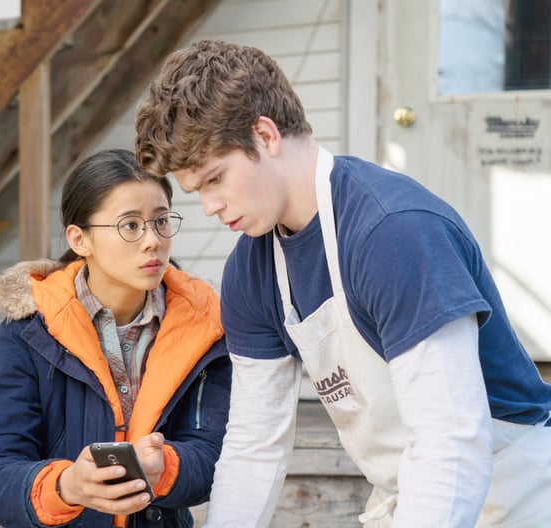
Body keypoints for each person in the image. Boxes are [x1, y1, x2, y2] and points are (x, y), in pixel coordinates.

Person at [134, 39, 551, 527]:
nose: (209, 207)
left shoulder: (393, 232)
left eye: (214, 180)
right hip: (410, 489)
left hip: (514, 491)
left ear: (265, 135)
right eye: (195, 192)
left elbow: (452, 439)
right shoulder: (251, 269)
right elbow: (253, 446)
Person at [0, 148, 232, 528]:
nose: (152, 241)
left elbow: (214, 455)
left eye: (160, 221)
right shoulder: (25, 332)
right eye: (130, 226)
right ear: (79, 239)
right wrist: (66, 487)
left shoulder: (205, 326)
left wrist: (166, 468)